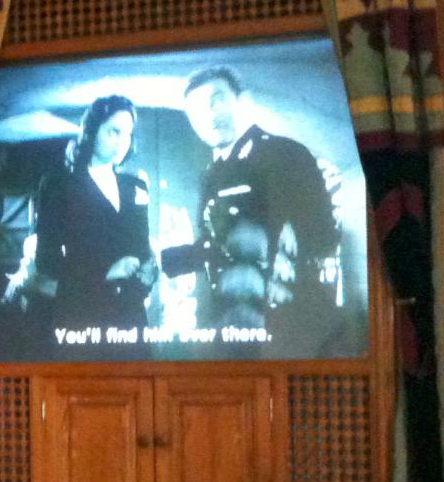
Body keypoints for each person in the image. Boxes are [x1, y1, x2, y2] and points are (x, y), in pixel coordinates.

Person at [161, 66, 340, 346]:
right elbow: (214, 247)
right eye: (196, 110)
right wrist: (163, 262)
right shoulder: (210, 175)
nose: (209, 114)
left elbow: (324, 236)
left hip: (287, 323)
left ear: (241, 101)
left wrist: (266, 246)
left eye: (217, 100)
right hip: (230, 324)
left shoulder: (284, 154)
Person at [32, 95, 158, 353]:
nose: (122, 142)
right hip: (82, 317)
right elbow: (46, 261)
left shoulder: (136, 187)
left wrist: (149, 271)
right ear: (91, 131)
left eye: (128, 134)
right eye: (114, 131)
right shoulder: (58, 185)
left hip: (131, 320)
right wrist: (106, 273)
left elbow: (142, 248)